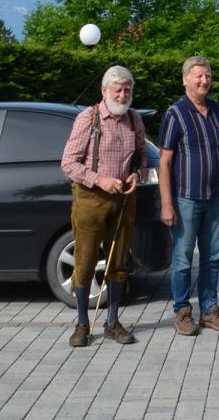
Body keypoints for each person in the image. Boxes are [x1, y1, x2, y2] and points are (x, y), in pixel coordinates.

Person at [60, 65, 149, 347]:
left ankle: (112, 322)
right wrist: (100, 180)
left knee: (119, 261)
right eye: (118, 90)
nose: (123, 95)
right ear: (104, 91)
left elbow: (143, 159)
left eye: (127, 90)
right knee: (85, 261)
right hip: (90, 199)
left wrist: (137, 176)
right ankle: (82, 324)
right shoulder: (89, 118)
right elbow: (68, 164)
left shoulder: (134, 120)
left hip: (124, 199)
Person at [159, 56, 219, 336]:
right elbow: (164, 162)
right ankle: (181, 311)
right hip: (185, 199)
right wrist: (167, 203)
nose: (204, 81)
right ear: (185, 79)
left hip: (213, 198)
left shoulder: (217, 110)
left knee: (213, 257)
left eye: (208, 76)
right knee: (182, 259)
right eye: (198, 76)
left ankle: (210, 310)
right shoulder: (175, 113)